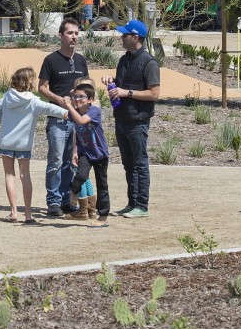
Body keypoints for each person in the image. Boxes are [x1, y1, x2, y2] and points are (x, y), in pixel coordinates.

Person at [0, 67, 70, 224]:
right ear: (29, 81)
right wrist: (65, 112)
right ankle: (28, 214)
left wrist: (5, 123)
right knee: (24, 175)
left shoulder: (7, 96)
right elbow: (50, 108)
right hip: (24, 143)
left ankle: (13, 212)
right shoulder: (33, 101)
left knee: (9, 175)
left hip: (7, 140)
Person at [102, 19, 160, 218]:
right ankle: (132, 202)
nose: (121, 37)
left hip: (138, 121)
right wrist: (111, 80)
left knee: (140, 163)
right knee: (128, 164)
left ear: (135, 38)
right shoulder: (124, 60)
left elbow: (154, 94)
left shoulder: (149, 62)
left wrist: (126, 93)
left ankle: (142, 205)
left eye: (125, 35)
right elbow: (122, 85)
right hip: (122, 118)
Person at [38, 18, 88, 217]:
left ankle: (67, 200)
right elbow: (41, 87)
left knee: (71, 161)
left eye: (76, 33)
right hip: (57, 118)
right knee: (56, 161)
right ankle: (53, 202)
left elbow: (86, 87)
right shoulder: (51, 60)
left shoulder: (81, 60)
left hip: (77, 119)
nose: (74, 36)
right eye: (69, 33)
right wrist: (59, 99)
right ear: (60, 36)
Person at [67, 78, 110, 227]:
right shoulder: (74, 112)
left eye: (81, 97)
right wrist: (75, 150)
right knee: (81, 175)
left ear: (90, 100)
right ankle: (73, 193)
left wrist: (69, 105)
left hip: (100, 153)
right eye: (75, 97)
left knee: (102, 184)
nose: (77, 100)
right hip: (85, 152)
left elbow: (81, 121)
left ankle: (102, 217)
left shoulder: (94, 111)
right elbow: (76, 132)